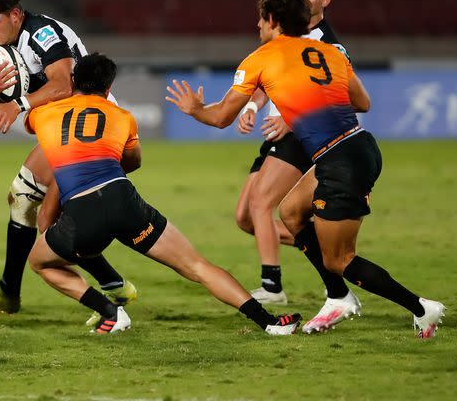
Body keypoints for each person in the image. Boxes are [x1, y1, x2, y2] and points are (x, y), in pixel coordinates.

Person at [166, 0, 445, 338]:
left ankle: (421, 308)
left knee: (339, 259)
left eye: (259, 20)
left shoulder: (261, 58)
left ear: (271, 19)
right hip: (357, 147)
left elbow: (221, 117)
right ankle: (338, 296)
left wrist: (194, 109)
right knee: (292, 211)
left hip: (341, 161)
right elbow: (362, 102)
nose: (257, 26)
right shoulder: (331, 53)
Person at [26, 53, 301, 335]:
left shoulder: (44, 115)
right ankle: (268, 322)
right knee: (197, 266)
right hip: (123, 200)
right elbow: (134, 162)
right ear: (108, 89)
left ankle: (109, 310)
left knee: (40, 261)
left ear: (73, 82)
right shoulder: (123, 118)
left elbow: (34, 124)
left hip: (81, 211)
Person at [0, 0, 136, 320]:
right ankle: (105, 285)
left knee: (50, 213)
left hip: (91, 127)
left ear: (14, 14)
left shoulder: (42, 34)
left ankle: (110, 291)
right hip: (69, 129)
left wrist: (19, 105)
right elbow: (3, 98)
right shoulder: (7, 47)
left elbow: (64, 83)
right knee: (25, 199)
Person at [234, 0, 350, 307]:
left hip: (300, 136)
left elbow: (342, 98)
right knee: (245, 218)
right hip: (275, 135)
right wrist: (253, 106)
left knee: (260, 206)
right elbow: (270, 78)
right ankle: (332, 254)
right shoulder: (288, 35)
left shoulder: (330, 47)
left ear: (326, 1)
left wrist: (292, 120)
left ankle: (273, 286)